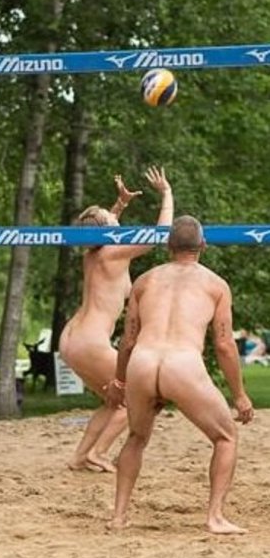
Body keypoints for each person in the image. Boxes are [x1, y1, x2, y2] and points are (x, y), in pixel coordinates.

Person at [104, 215, 254, 534]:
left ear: (169, 245)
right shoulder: (215, 285)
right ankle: (214, 517)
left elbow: (128, 339)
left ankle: (118, 516)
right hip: (182, 364)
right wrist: (239, 394)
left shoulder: (145, 280)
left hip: (143, 362)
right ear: (203, 245)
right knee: (225, 437)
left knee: (136, 437)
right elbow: (225, 344)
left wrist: (119, 382)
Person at [59, 167, 174, 472]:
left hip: (71, 339)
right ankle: (99, 452)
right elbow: (159, 236)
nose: (116, 219)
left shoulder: (93, 254)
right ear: (107, 230)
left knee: (113, 401)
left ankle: (81, 456)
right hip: (90, 342)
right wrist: (166, 194)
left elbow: (102, 232)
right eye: (111, 218)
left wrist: (119, 206)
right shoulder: (114, 254)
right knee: (136, 400)